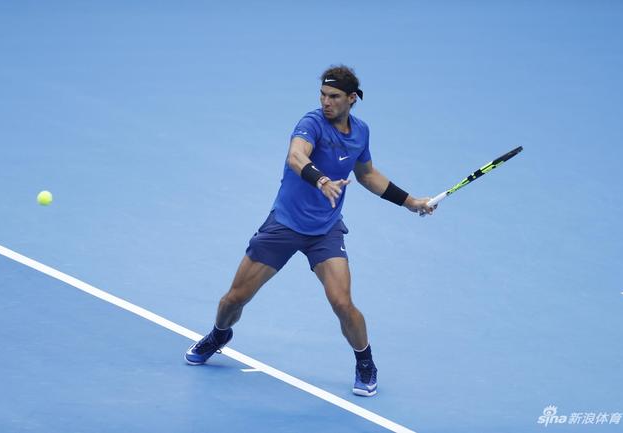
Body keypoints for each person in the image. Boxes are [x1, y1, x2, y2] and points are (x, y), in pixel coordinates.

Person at [185, 65, 435, 397]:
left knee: (342, 303)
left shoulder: (361, 132)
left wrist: (410, 202)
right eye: (322, 95)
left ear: (352, 98)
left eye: (334, 96)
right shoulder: (311, 123)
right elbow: (296, 156)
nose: (326, 102)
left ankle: (365, 363)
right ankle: (219, 334)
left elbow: (367, 175)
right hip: (285, 225)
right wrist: (321, 180)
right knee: (234, 299)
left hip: (325, 231)